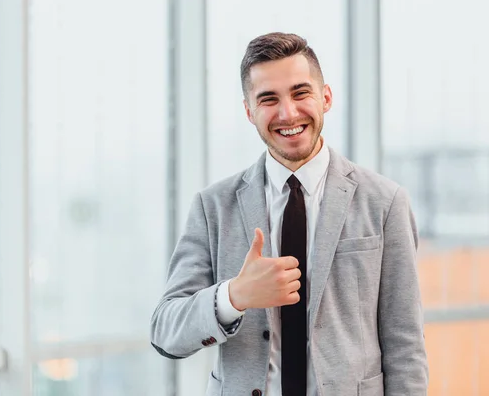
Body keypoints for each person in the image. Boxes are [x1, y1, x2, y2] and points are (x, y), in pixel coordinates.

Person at [150, 32, 428, 396]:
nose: (288, 113)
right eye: (268, 99)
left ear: (325, 97)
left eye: (301, 93)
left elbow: (405, 344)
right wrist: (234, 296)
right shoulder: (213, 207)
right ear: (249, 111)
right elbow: (166, 332)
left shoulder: (385, 202)